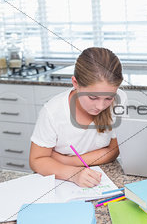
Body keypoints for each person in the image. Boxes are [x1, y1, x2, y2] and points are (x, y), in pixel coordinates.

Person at [29, 47, 127, 187]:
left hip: (99, 175)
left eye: (108, 98)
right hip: (60, 181)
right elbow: (37, 160)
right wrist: (73, 174)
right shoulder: (53, 111)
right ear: (75, 83)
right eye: (93, 97)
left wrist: (68, 161)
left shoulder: (120, 99)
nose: (100, 106)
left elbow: (114, 150)